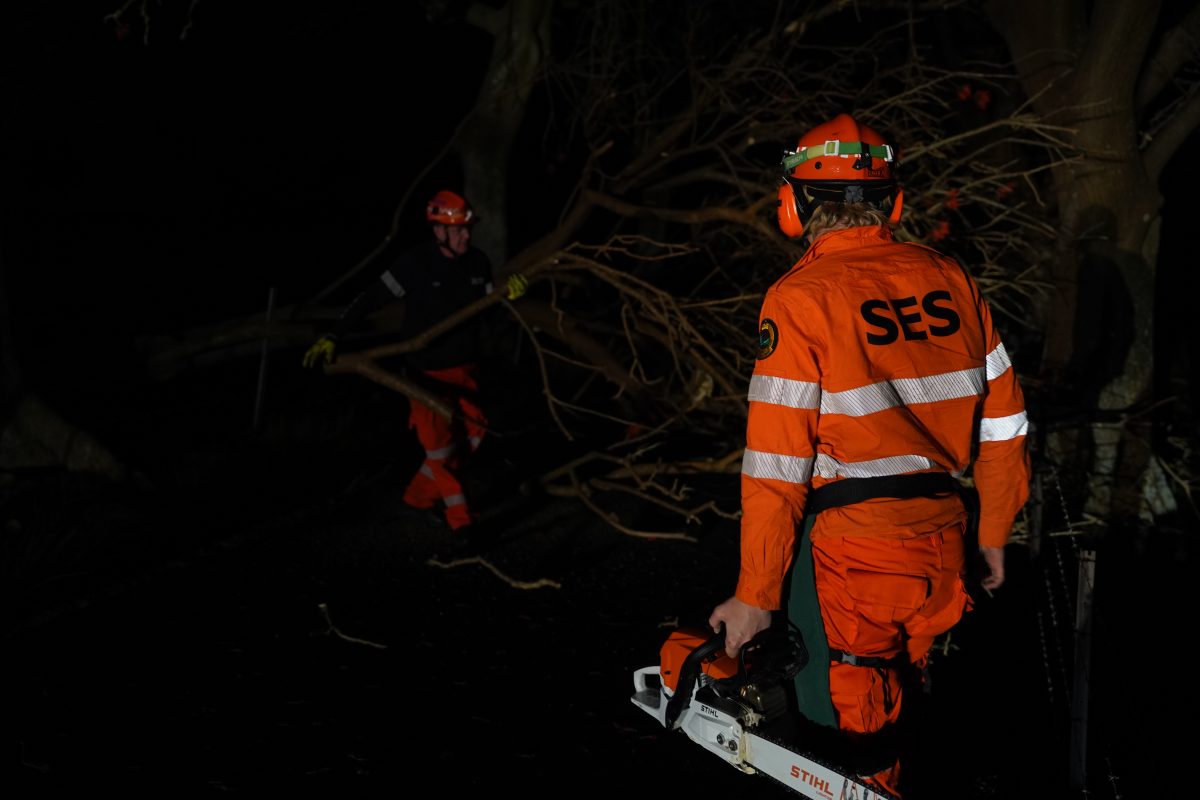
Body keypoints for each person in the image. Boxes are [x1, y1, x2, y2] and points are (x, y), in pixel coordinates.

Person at [707, 114, 1030, 798]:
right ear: (896, 201)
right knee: (908, 716)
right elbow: (1005, 427)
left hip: (853, 562)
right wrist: (994, 534)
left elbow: (776, 466)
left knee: (852, 758)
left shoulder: (799, 299)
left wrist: (756, 595)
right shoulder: (953, 279)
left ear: (791, 205)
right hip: (944, 544)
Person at [303, 189, 528, 550]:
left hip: (466, 371)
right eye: (457, 230)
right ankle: (462, 525)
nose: (466, 236)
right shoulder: (414, 264)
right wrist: (334, 335)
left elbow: (487, 315)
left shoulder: (478, 264)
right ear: (438, 231)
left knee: (473, 435)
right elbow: (370, 297)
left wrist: (508, 296)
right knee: (439, 450)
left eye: (467, 229)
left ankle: (418, 498)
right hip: (425, 377)